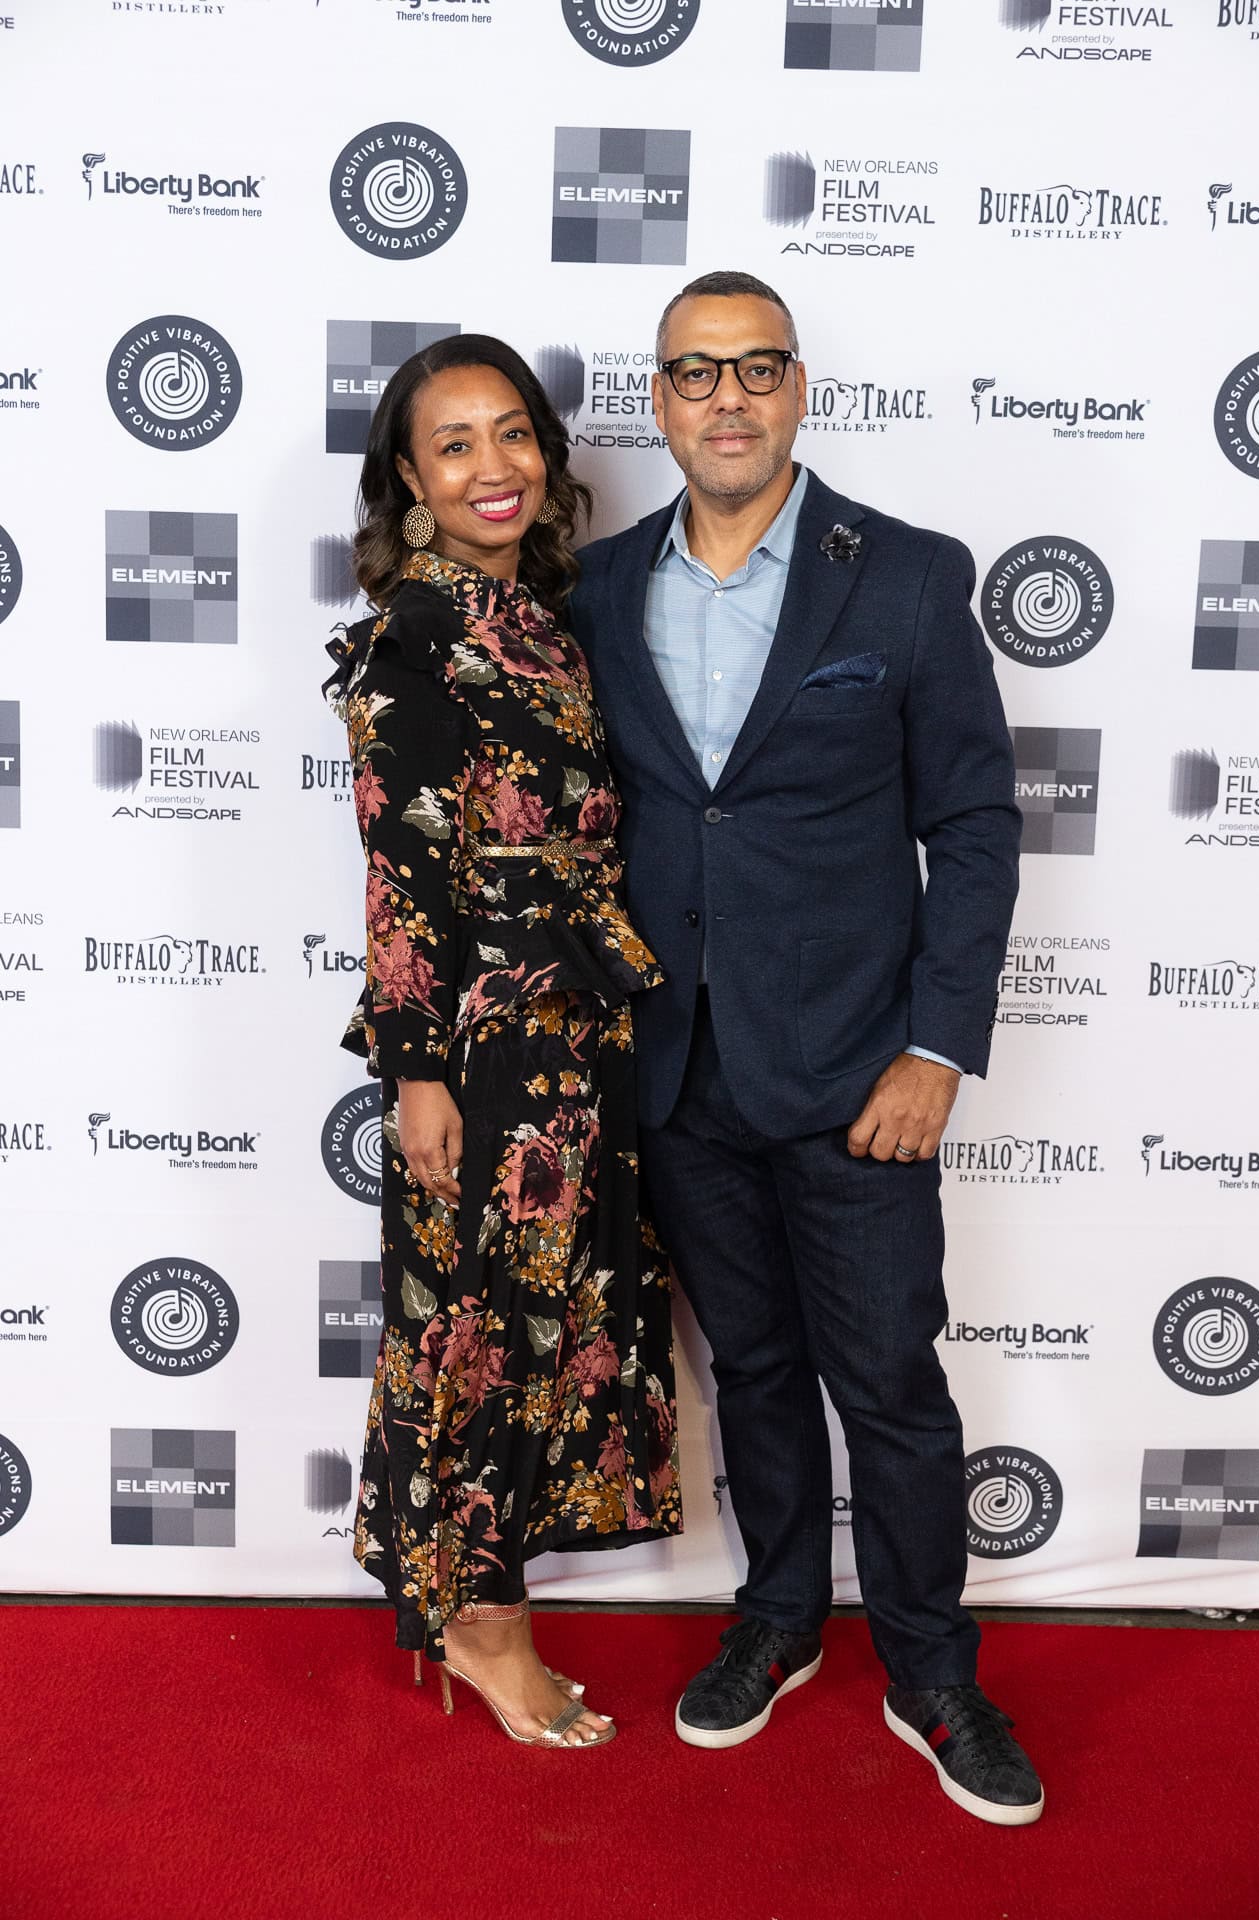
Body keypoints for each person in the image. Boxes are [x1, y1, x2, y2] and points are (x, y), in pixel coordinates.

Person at [571, 272, 1041, 1823]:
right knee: (757, 1369)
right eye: (695, 372)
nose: (728, 398)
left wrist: (937, 1049)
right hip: (676, 1071)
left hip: (857, 1078)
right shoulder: (597, 586)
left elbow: (973, 824)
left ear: (798, 388)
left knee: (888, 1382)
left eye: (756, 368)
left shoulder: (903, 577)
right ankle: (777, 1618)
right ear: (659, 400)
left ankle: (932, 1673)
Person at [324, 334, 681, 1750]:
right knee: (476, 1330)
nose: (493, 466)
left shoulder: (543, 619)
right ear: (410, 482)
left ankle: (479, 1606)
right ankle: (480, 1629)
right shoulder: (413, 638)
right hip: (484, 1047)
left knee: (547, 1326)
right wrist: (415, 1073)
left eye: (513, 433)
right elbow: (403, 877)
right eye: (455, 443)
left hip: (578, 1032)